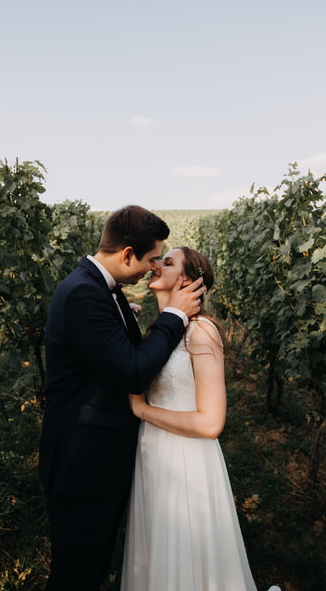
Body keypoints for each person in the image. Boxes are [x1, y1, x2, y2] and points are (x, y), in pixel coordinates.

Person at [39, 206, 205, 591]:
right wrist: (176, 316)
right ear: (127, 254)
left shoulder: (98, 289)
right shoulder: (84, 293)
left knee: (91, 569)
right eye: (149, 260)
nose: (152, 269)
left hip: (99, 461)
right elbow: (132, 371)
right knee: (74, 576)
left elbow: (108, 353)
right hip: (81, 465)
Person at [121, 247, 259, 591]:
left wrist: (142, 411)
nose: (155, 265)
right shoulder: (159, 332)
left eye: (167, 262)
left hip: (186, 460)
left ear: (185, 280)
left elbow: (211, 423)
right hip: (152, 455)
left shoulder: (200, 332)